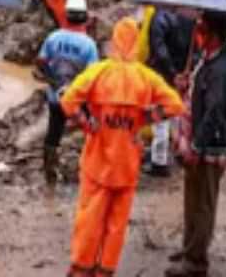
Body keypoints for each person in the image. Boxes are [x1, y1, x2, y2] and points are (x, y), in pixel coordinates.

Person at [62, 17, 185, 277]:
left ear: (114, 41)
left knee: (89, 218)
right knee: (117, 223)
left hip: (97, 159)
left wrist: (86, 123)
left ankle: (81, 266)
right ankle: (106, 269)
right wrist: (145, 118)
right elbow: (175, 104)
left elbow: (68, 100)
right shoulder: (146, 76)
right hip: (127, 162)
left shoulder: (99, 72)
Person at [167, 11, 226, 277]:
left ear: (213, 35)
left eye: (201, 30)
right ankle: (190, 247)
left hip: (210, 143)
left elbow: (214, 112)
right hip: (200, 137)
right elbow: (202, 94)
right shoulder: (209, 59)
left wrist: (197, 146)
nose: (196, 35)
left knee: (203, 201)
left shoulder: (222, 69)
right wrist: (186, 84)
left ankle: (196, 262)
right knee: (192, 197)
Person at [37, 0, 100, 185]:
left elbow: (40, 62)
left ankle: (50, 173)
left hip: (56, 97)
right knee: (91, 132)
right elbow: (92, 77)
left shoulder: (53, 38)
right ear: (85, 17)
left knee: (53, 133)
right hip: (79, 101)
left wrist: (54, 81)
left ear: (66, 15)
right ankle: (90, 168)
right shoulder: (88, 45)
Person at [144, 0, 195, 177]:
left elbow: (159, 48)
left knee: (161, 118)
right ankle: (177, 152)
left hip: (165, 73)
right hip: (183, 71)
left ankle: (159, 162)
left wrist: (171, 72)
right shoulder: (186, 12)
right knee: (177, 113)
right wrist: (185, 71)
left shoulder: (159, 16)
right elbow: (195, 44)